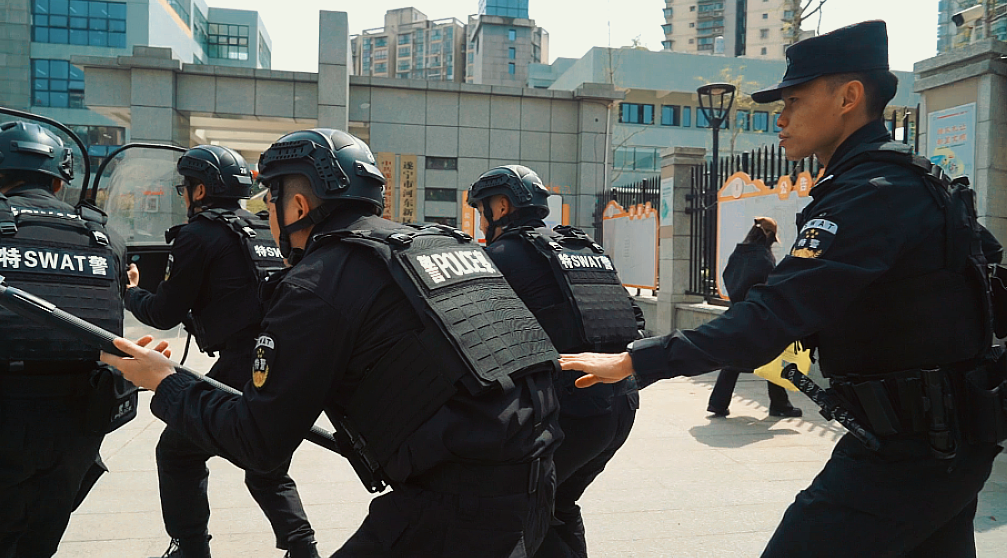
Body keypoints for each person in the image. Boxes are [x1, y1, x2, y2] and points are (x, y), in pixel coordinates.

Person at [559, 20, 1004, 557]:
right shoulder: (915, 180)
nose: (782, 118)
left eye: (794, 100)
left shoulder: (872, 194)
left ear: (848, 97)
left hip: (910, 450)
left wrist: (636, 360)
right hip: (938, 438)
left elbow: (773, 314)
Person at [103, 128, 563, 557]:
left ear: (298, 206)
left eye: (272, 202)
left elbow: (258, 442)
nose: (268, 218)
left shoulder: (319, 280)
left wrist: (165, 382)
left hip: (460, 507)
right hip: (537, 482)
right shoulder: (436, 244)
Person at [124, 145, 319, 558]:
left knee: (177, 451)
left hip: (240, 361)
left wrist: (132, 293)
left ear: (199, 191)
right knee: (266, 462)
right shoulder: (264, 229)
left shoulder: (197, 234)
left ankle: (191, 548)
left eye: (185, 189)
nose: (184, 196)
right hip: (281, 359)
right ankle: (303, 549)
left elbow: (163, 313)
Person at [467, 165, 641, 558]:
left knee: (515, 512)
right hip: (620, 406)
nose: (481, 221)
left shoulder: (501, 256)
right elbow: (633, 318)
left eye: (482, 210)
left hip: (570, 414)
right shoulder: (583, 248)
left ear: (501, 205)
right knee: (559, 504)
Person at [0, 121, 127, 557]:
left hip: (8, 408)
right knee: (40, 540)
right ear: (60, 181)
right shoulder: (104, 236)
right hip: (79, 420)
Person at [707, 217, 801, 418]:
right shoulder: (763, 258)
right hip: (759, 313)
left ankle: (718, 403)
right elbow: (771, 285)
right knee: (772, 357)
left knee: (733, 360)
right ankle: (780, 405)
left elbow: (727, 276)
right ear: (769, 236)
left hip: (737, 311)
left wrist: (738, 298)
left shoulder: (738, 253)